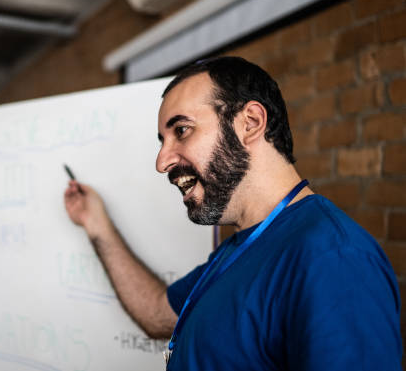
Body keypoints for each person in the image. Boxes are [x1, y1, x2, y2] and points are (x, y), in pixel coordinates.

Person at [63, 56, 402, 370]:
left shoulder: (334, 259)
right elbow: (155, 314)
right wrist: (97, 225)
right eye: (162, 140)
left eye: (181, 130)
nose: (161, 161)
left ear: (250, 123)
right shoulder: (240, 247)